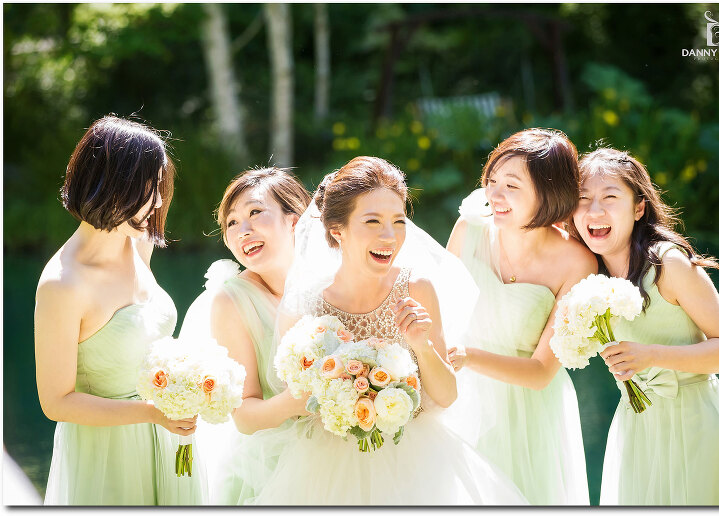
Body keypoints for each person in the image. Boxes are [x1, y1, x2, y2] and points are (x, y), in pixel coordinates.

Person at [244, 156, 528, 505]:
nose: (390, 236)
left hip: (415, 462)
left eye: (398, 221)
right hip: (329, 468)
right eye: (372, 221)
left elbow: (446, 396)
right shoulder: (307, 305)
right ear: (338, 230)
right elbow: (296, 401)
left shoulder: (416, 288)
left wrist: (422, 346)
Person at [35, 115, 205, 505]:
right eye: (149, 188)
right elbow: (56, 402)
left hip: (168, 435)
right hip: (108, 454)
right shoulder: (62, 284)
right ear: (111, 184)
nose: (158, 202)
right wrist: (152, 414)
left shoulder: (138, 242)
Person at [572, 147, 719, 505]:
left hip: (697, 424)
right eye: (582, 199)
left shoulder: (668, 264)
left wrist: (651, 355)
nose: (594, 211)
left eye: (610, 197)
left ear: (638, 208)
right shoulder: (589, 274)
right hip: (638, 429)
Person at [445, 128, 593, 504]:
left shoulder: (578, 262)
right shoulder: (468, 229)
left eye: (511, 186)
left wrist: (468, 356)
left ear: (548, 192)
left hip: (530, 416)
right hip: (460, 398)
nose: (494, 195)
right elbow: (438, 314)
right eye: (492, 181)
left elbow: (542, 372)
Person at [179, 168, 311, 504]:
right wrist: (302, 400)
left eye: (255, 213)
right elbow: (245, 416)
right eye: (232, 223)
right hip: (272, 468)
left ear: (294, 221)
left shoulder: (332, 280)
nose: (243, 231)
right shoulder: (230, 301)